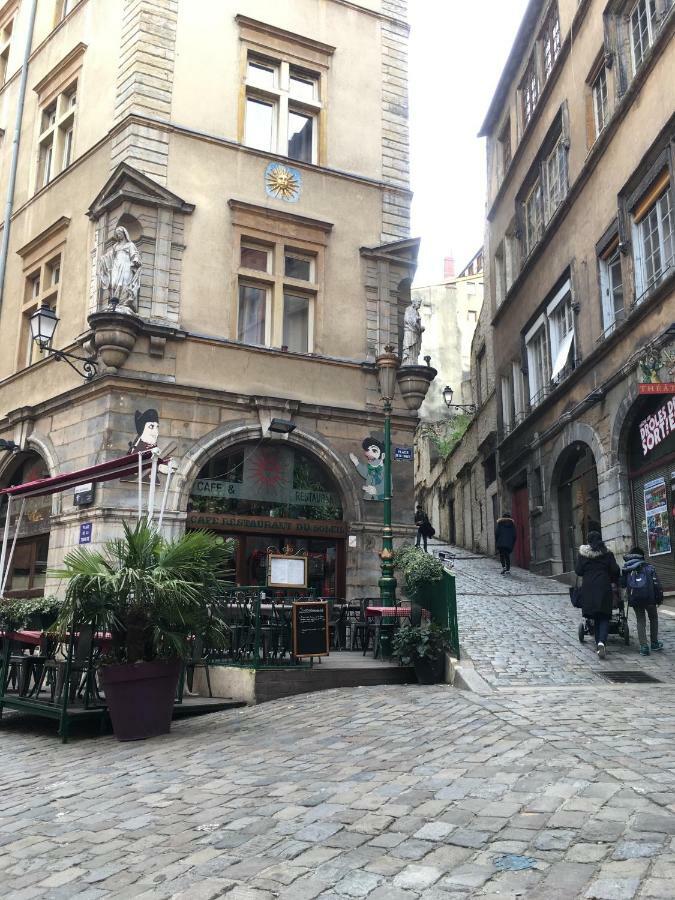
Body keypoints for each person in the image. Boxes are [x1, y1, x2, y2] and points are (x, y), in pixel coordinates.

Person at [575, 530, 620, 659]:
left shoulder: (583, 555)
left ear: (588, 541)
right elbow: (615, 570)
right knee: (604, 616)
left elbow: (578, 570)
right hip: (604, 587)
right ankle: (601, 642)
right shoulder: (607, 553)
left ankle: (598, 643)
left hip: (589, 588)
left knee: (595, 616)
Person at [621, 546, 664, 656]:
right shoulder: (649, 567)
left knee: (640, 620)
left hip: (635, 598)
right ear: (642, 556)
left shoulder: (627, 568)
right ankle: (654, 643)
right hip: (650, 598)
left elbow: (622, 584)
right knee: (653, 618)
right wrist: (659, 598)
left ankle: (644, 646)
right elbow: (657, 584)